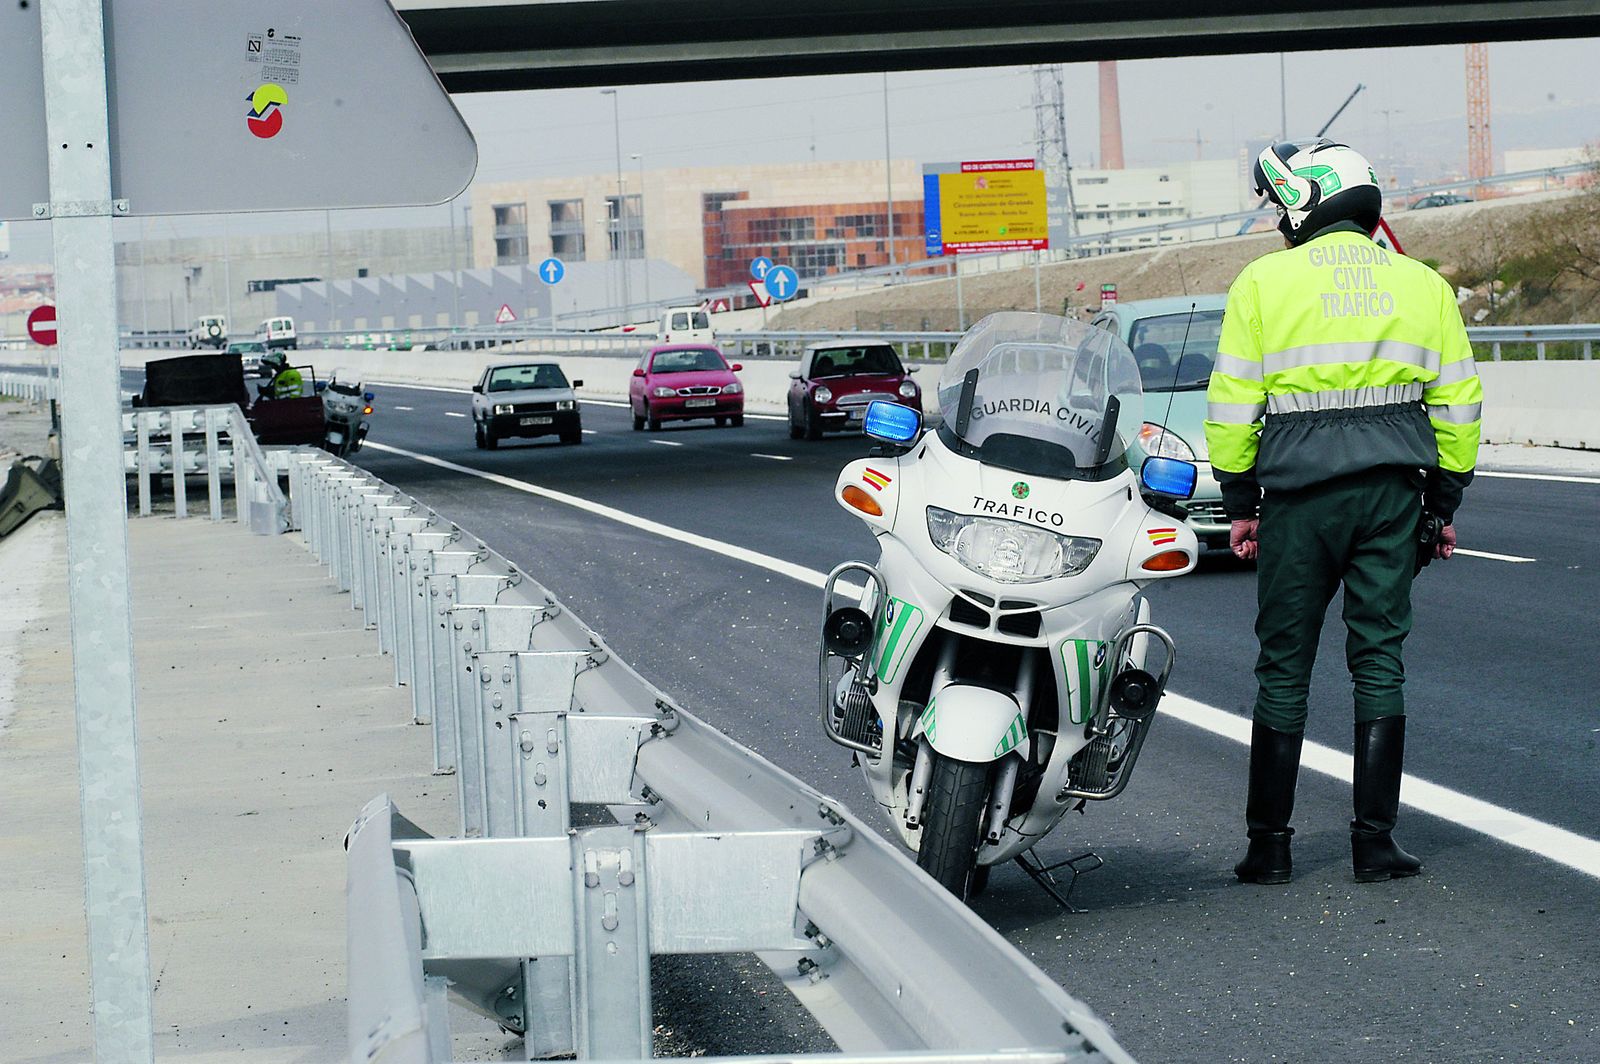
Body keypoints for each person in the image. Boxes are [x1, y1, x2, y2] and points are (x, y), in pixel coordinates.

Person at [1203, 139, 1483, 885]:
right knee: (1380, 661)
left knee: (1284, 669)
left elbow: (1233, 407)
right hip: (1394, 498)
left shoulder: (1263, 282)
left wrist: (1240, 504)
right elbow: (1458, 403)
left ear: (1307, 201)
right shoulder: (1423, 284)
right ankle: (1374, 844)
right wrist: (1442, 502)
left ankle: (1269, 849)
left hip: (1297, 501)